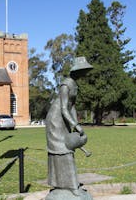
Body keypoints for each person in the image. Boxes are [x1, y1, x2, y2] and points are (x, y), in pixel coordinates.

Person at [45, 56, 93, 196]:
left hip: (64, 120)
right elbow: (64, 108)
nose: (85, 74)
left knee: (68, 151)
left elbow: (72, 107)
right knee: (63, 152)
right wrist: (76, 125)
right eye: (83, 71)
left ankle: (67, 185)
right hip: (55, 121)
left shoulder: (74, 84)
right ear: (77, 71)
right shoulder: (65, 85)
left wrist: (74, 123)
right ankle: (70, 187)